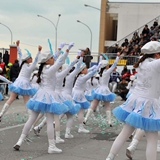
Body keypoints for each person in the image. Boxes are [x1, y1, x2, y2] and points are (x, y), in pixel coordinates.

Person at [13, 42, 73, 153]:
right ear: (47, 61)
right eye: (51, 58)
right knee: (50, 121)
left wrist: (59, 49)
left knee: (31, 119)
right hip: (49, 96)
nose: (53, 58)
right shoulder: (50, 69)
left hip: (39, 95)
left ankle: (19, 141)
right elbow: (60, 61)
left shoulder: (43, 69)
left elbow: (55, 59)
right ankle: (51, 146)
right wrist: (67, 50)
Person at [105, 41, 160, 160]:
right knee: (152, 140)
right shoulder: (155, 64)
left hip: (135, 101)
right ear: (156, 54)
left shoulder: (142, 62)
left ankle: (109, 158)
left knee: (124, 133)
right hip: (149, 103)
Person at [0, 40, 41, 122]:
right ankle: (30, 119)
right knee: (26, 102)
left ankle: (0, 114)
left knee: (11, 99)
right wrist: (39, 52)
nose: (31, 59)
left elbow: (20, 54)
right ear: (27, 59)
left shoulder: (22, 63)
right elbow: (34, 59)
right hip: (25, 84)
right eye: (30, 58)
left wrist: (18, 46)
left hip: (18, 83)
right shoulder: (29, 66)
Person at [84, 53, 120, 126]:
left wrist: (101, 57)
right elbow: (114, 65)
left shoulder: (100, 71)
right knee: (107, 106)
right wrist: (117, 57)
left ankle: (86, 119)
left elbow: (100, 64)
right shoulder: (107, 72)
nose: (108, 65)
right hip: (105, 90)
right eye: (107, 64)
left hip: (99, 90)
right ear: (106, 66)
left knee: (93, 105)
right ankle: (109, 122)